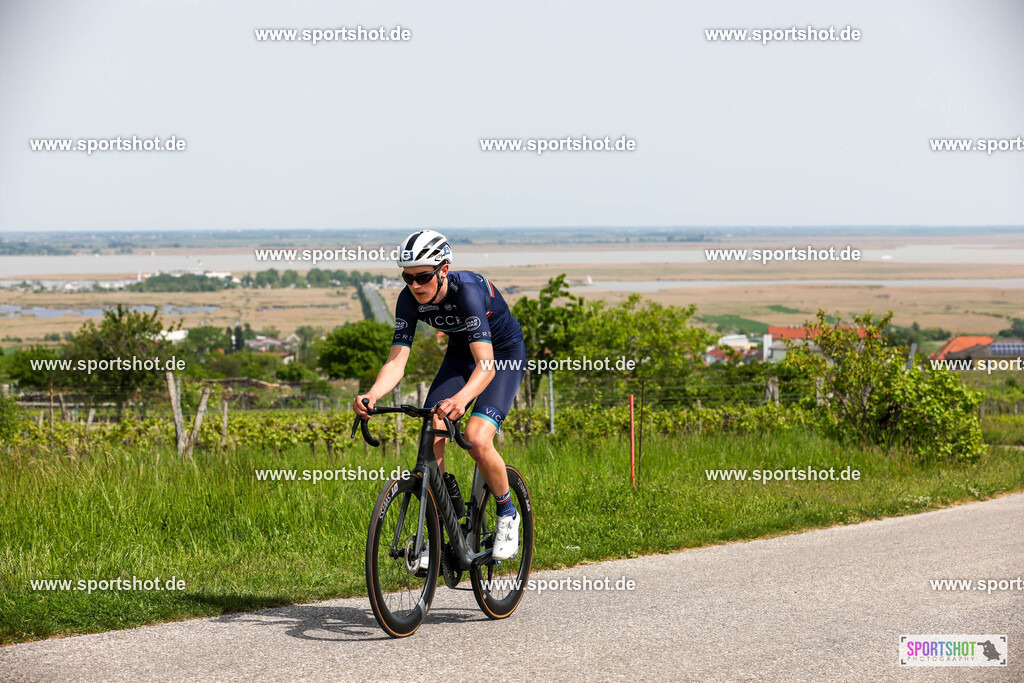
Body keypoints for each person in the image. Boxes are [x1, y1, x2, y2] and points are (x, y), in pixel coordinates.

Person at [353, 230, 526, 562]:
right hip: (462, 353)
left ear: (443, 270)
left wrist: (461, 400)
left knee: (475, 437)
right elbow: (397, 359)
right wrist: (372, 394)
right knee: (433, 430)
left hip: (501, 356)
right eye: (407, 277)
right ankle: (441, 526)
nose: (415, 285)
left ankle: (507, 514)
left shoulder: (469, 293)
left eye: (423, 277)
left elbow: (487, 367)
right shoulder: (408, 299)